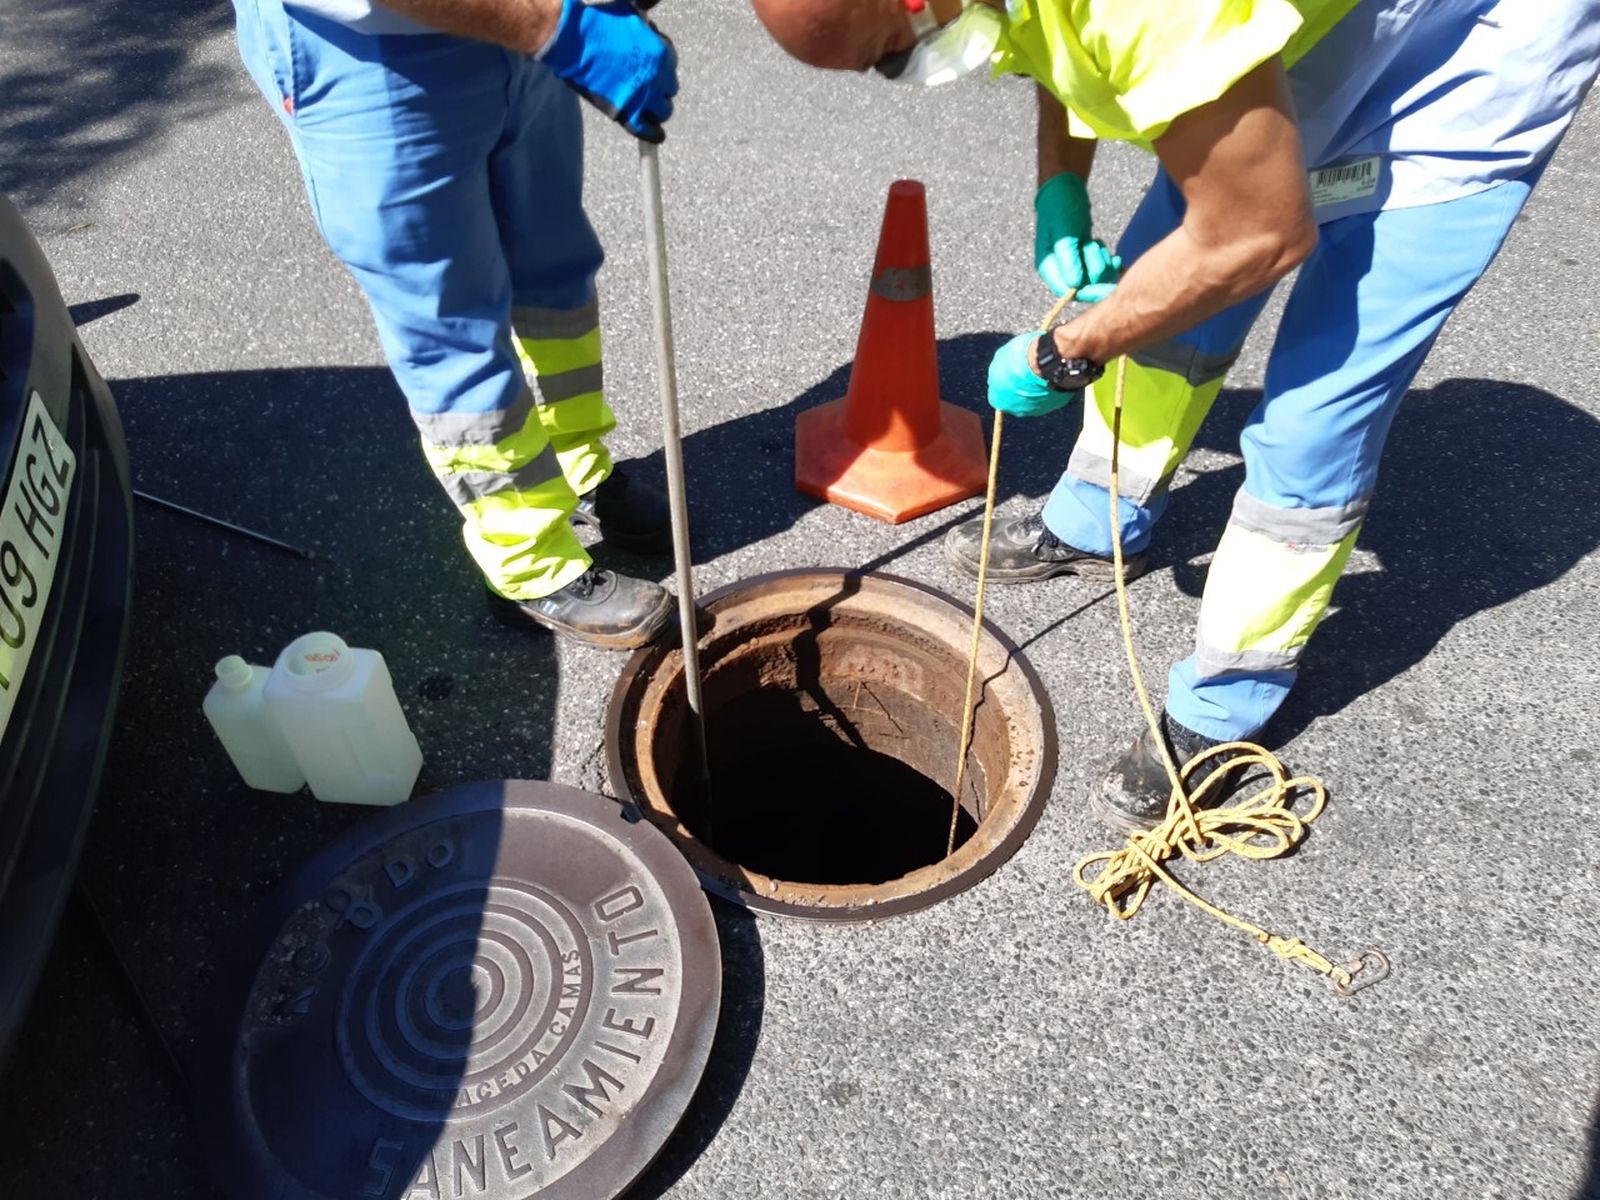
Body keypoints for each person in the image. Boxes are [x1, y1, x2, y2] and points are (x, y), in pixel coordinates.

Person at [748, 0, 1600, 829]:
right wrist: (1060, 188)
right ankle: (1098, 520)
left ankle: (1228, 700)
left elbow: (1256, 234)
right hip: (1314, 34)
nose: (906, 68)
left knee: (1316, 416)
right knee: (1160, 313)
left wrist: (1067, 351)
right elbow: (1057, 40)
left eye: (894, 52)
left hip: (1474, 66)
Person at [229, 0, 683, 648]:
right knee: (453, 325)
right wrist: (560, 30)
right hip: (371, 53)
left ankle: (577, 463)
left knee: (554, 269)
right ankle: (529, 566)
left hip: (529, 33)